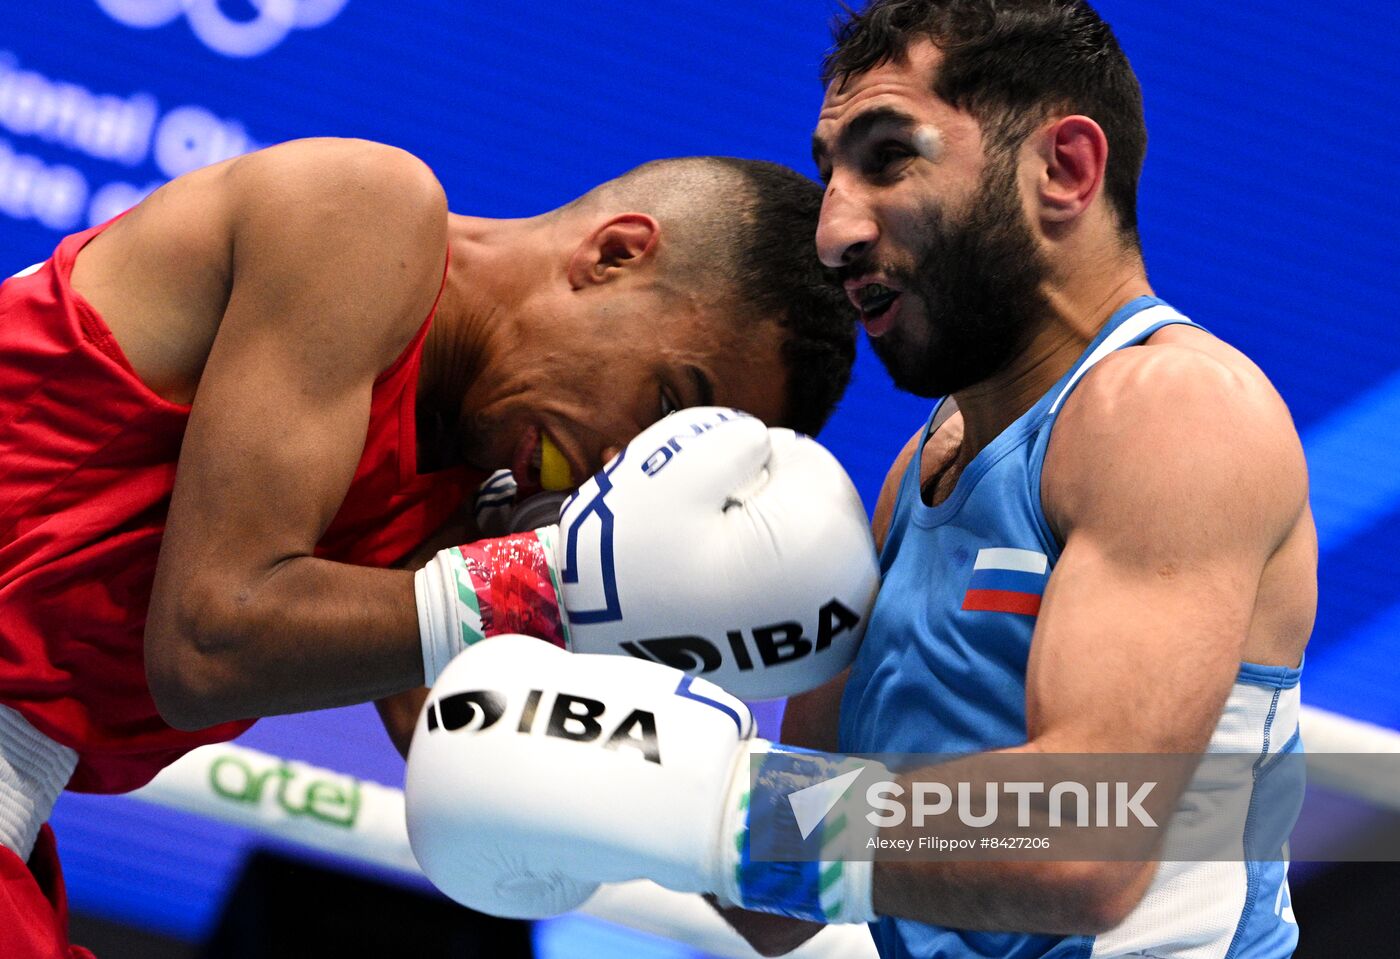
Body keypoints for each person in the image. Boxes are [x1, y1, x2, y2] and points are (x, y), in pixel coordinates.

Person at [400, 2, 1315, 957]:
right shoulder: (920, 469)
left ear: (1065, 169)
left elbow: (1085, 839)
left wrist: (720, 804)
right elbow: (776, 908)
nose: (834, 228)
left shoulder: (1175, 409)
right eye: (830, 168)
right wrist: (608, 684)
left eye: (888, 158)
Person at [0, 136, 858, 956]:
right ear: (614, 254)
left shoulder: (477, 512)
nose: (614, 464)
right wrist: (540, 585)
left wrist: (865, 620)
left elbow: (766, 911)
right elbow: (206, 643)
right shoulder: (363, 214)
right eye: (666, 398)